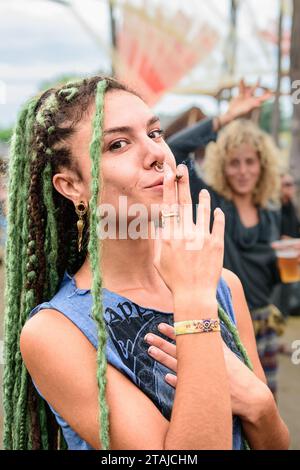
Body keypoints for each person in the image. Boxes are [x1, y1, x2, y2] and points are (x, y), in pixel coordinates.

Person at [3, 76, 289, 451]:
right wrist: (191, 300)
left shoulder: (222, 286)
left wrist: (261, 403)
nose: (157, 153)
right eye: (118, 144)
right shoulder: (56, 331)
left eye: (155, 133)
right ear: (71, 185)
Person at [168, 117, 294, 396]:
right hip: (223, 323)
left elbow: (268, 276)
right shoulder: (211, 202)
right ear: (222, 166)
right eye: (234, 162)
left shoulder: (270, 211)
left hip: (263, 325)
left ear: (262, 165)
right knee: (225, 403)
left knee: (264, 400)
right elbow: (174, 151)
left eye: (250, 162)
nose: (243, 171)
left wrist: (284, 259)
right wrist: (220, 121)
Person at [280, 173, 300, 238]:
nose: (292, 187)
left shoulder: (291, 206)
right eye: (288, 184)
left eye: (294, 184)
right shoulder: (274, 209)